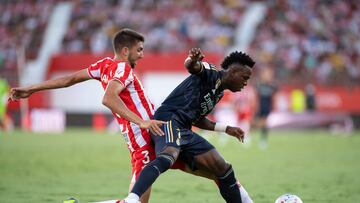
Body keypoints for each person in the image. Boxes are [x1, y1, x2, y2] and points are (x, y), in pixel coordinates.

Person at [10, 29, 252, 203]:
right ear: (125, 51)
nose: (142, 55)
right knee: (136, 200)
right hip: (145, 137)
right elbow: (109, 98)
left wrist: (31, 88)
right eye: (139, 50)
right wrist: (142, 121)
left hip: (158, 132)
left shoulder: (103, 65)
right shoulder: (122, 68)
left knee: (217, 172)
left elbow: (69, 79)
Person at [124, 48, 255, 203]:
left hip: (184, 129)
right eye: (244, 77)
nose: (246, 83)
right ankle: (132, 199)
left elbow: (198, 119)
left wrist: (226, 129)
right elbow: (193, 67)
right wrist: (192, 60)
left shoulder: (218, 92)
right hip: (169, 120)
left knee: (223, 168)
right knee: (169, 155)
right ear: (233, 71)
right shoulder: (212, 72)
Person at [254, 68, 277, 149]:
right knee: (256, 123)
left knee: (264, 123)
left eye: (269, 75)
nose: (267, 76)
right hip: (259, 106)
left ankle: (263, 140)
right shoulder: (259, 85)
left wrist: (274, 107)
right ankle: (251, 137)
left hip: (267, 107)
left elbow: (275, 97)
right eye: (266, 74)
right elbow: (255, 97)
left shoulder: (272, 86)